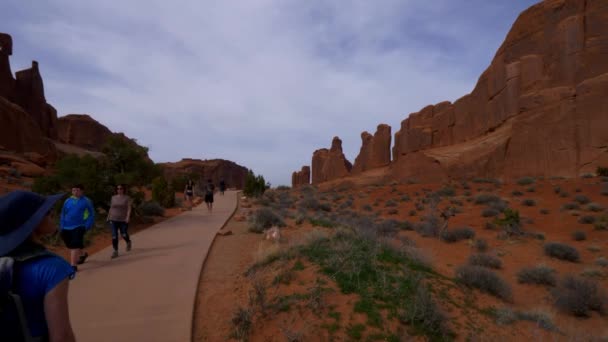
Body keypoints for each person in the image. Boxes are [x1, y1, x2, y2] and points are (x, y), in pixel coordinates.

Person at [0, 190, 76, 342]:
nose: (52, 214)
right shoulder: (51, 267)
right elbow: (61, 336)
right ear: (34, 222)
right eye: (47, 211)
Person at [60, 184, 94, 272]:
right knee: (69, 244)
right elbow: (63, 213)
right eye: (74, 190)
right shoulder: (67, 201)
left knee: (74, 245)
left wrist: (87, 226)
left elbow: (91, 214)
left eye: (77, 190)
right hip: (66, 227)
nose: (75, 192)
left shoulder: (86, 201)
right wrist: (62, 225)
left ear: (82, 191)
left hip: (79, 226)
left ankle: (73, 266)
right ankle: (83, 254)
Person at [107, 184, 133, 259]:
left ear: (124, 189)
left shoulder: (127, 198)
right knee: (114, 235)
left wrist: (128, 217)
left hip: (123, 219)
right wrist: (108, 217)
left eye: (121, 188)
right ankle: (115, 251)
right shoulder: (113, 197)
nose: (119, 190)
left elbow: (129, 208)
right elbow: (111, 208)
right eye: (118, 188)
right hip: (113, 219)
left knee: (124, 234)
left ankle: (128, 242)